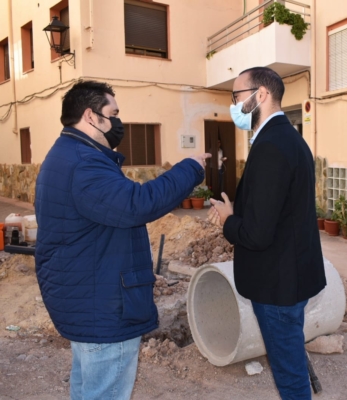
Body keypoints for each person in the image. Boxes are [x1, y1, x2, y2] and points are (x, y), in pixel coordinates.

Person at [34, 80, 210, 400]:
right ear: (91, 116)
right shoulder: (84, 163)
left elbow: (101, 229)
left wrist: (141, 273)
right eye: (112, 113)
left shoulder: (70, 154)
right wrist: (191, 169)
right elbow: (136, 205)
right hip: (101, 307)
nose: (118, 121)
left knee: (88, 389)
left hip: (87, 294)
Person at [208, 67, 326, 399]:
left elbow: (258, 233)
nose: (233, 105)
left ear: (261, 95)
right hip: (290, 276)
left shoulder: (272, 146)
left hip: (277, 284)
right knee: (290, 364)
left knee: (289, 375)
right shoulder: (288, 139)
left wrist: (229, 219)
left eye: (236, 96)